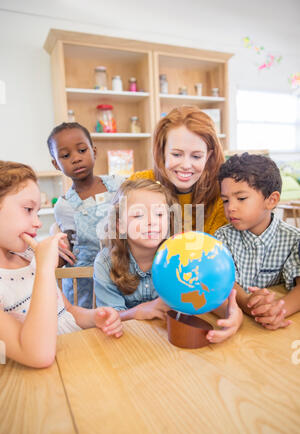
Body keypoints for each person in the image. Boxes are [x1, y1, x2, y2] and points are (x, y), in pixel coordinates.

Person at [0, 161, 123, 368]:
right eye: (28, 209)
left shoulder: (29, 256)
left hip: (74, 355)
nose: (37, 222)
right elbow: (37, 355)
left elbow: (67, 311)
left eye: (37, 213)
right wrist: (46, 269)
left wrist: (95, 318)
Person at [94, 179, 243, 343]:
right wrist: (138, 312)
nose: (152, 222)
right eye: (138, 215)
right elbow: (109, 319)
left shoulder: (186, 255)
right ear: (120, 225)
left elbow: (217, 304)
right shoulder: (105, 263)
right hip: (127, 344)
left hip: (170, 345)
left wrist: (234, 317)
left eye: (159, 214)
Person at [215, 153, 300, 330]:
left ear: (271, 200)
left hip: (272, 330)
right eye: (225, 200)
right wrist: (247, 303)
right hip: (238, 322)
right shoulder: (222, 238)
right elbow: (225, 281)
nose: (230, 207)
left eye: (241, 198)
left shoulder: (293, 239)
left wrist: (278, 310)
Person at [47, 122, 124, 308]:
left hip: (122, 274)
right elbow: (69, 247)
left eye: (82, 150)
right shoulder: (64, 206)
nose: (76, 159)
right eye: (66, 156)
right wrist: (54, 250)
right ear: (56, 164)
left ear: (94, 151)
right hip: (86, 284)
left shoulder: (120, 186)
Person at [130, 105, 228, 235]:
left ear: (208, 156)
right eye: (176, 154)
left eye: (196, 156)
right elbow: (118, 240)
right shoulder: (138, 184)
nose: (186, 165)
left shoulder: (222, 194)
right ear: (162, 151)